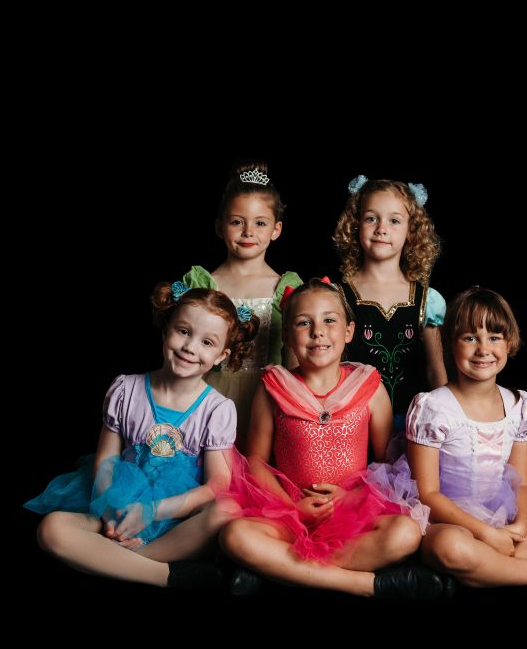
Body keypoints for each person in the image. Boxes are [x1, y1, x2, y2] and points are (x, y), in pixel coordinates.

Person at [219, 278, 450, 600]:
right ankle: (364, 584)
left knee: (406, 534)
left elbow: (387, 462)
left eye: (329, 320)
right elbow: (256, 461)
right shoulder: (273, 387)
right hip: (290, 511)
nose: (318, 332)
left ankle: (279, 569)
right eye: (304, 323)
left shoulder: (369, 385)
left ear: (349, 331)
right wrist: (294, 507)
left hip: (352, 509)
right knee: (234, 535)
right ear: (287, 335)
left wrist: (350, 498)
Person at [25, 284, 259, 589]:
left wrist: (152, 511)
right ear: (165, 330)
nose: (190, 347)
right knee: (50, 529)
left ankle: (113, 559)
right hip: (117, 507)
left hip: (174, 516)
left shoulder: (217, 409)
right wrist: (111, 513)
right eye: (183, 331)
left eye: (207, 342)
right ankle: (166, 575)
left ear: (221, 355)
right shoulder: (126, 389)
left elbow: (217, 485)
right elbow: (106, 460)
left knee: (227, 510)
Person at [406, 286, 527, 587]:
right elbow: (428, 494)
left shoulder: (520, 406)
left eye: (494, 337)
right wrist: (485, 533)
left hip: (503, 517)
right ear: (449, 343)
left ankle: (480, 569)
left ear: (509, 343)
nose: (483, 349)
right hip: (448, 522)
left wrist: (520, 523)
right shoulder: (432, 407)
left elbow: (521, 483)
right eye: (470, 338)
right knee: (450, 547)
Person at [183, 162, 302, 447]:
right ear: (219, 226)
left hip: (267, 399)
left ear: (276, 229)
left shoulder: (285, 287)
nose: (248, 232)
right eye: (237, 222)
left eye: (260, 223)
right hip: (208, 394)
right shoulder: (204, 283)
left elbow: (296, 356)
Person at [333, 176, 448, 431]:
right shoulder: (336, 296)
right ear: (355, 225)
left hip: (413, 428)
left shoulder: (427, 300)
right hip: (354, 427)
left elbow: (435, 371)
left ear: (411, 231)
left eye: (394, 221)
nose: (381, 228)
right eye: (371, 218)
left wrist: (449, 421)